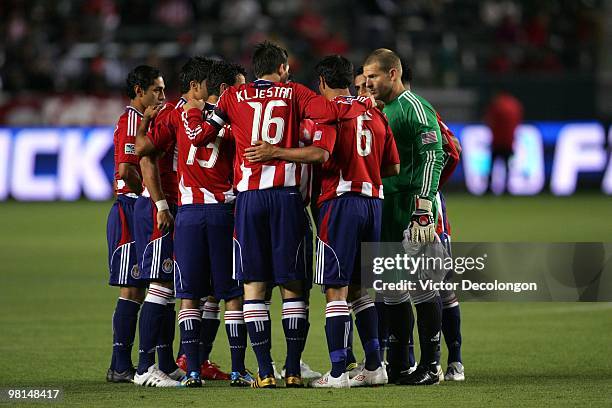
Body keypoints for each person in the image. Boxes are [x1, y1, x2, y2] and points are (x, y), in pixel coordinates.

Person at [183, 41, 374, 388]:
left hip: (249, 200)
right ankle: (293, 370)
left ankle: (264, 371)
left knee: (254, 285)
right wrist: (360, 103)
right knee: (292, 286)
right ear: (283, 68)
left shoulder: (230, 98)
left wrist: (196, 109)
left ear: (255, 70)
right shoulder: (296, 94)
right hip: (287, 199)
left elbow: (200, 136)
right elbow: (332, 111)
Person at [245, 54, 400, 388]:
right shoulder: (373, 113)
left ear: (322, 83)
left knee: (335, 290)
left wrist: (276, 152)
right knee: (361, 290)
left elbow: (320, 154)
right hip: (374, 202)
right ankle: (375, 365)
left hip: (339, 202)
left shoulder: (329, 114)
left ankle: (338, 371)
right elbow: (393, 168)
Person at [363, 49, 445, 386]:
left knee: (423, 289)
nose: (368, 83)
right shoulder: (381, 109)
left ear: (393, 74)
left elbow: (433, 156)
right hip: (386, 209)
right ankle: (398, 364)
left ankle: (431, 365)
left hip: (411, 211)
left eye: (374, 77)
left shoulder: (413, 107)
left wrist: (424, 208)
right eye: (365, 78)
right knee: (390, 291)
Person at [106, 65, 165, 383]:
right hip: (129, 209)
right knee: (132, 288)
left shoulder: (147, 119)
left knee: (141, 287)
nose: (162, 95)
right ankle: (119, 365)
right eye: (156, 89)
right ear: (139, 91)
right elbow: (127, 168)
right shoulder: (131, 119)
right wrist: (149, 192)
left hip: (136, 208)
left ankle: (127, 364)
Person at [484, 90, 523, 194]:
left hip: (497, 141)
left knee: (492, 166)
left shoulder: (497, 105)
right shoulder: (514, 105)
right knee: (506, 166)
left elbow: (490, 120)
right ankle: (506, 188)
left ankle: (489, 188)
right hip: (508, 141)